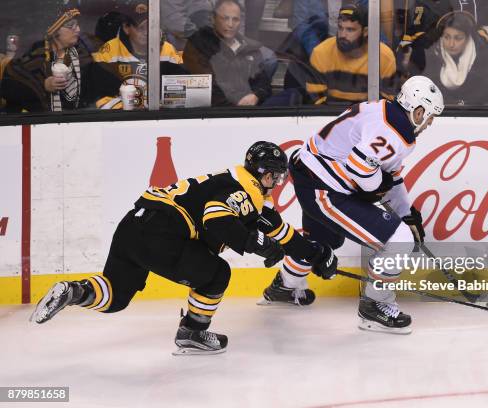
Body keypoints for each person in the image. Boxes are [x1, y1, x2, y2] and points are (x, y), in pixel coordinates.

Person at [30, 141, 338, 355]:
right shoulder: (242, 191)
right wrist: (258, 245)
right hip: (162, 231)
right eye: (278, 175)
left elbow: (283, 235)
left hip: (133, 225)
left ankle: (74, 291)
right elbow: (217, 221)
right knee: (217, 273)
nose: (279, 181)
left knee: (115, 295)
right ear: (267, 174)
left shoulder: (240, 190)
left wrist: (318, 256)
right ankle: (191, 332)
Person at [261, 76, 444, 334]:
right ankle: (375, 306)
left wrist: (407, 214)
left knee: (324, 240)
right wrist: (375, 189)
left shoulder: (386, 112)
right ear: (418, 109)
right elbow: (361, 167)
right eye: (431, 115)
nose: (431, 122)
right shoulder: (394, 131)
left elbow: (388, 176)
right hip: (323, 187)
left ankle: (285, 285)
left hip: (312, 173)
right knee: (399, 239)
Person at [92, 1, 185, 110]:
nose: (147, 32)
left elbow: (181, 90)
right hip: (121, 119)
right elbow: (98, 94)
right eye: (141, 28)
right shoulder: (110, 51)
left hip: (158, 117)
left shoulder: (167, 49)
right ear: (126, 28)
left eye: (151, 26)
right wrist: (128, 109)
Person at [1, 7, 95, 113]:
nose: (78, 29)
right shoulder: (35, 57)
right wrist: (44, 85)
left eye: (77, 25)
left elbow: (92, 93)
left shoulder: (83, 55)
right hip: (41, 124)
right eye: (71, 25)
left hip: (79, 123)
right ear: (55, 31)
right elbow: (8, 86)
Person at [182, 0, 273, 106]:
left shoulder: (249, 48)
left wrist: (256, 95)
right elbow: (205, 86)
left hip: (249, 110)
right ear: (213, 19)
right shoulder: (198, 45)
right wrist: (237, 104)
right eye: (225, 18)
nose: (230, 24)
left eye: (235, 19)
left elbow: (263, 82)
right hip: (216, 113)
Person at [306, 4, 396, 105]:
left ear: (365, 31)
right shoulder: (321, 53)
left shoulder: (384, 57)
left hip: (367, 117)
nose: (342, 35)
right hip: (329, 115)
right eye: (340, 28)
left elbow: (387, 104)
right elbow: (316, 103)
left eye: (350, 30)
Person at [422, 11, 488, 106]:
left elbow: (486, 92)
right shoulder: (430, 56)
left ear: (468, 38)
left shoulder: (482, 58)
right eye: (446, 37)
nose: (451, 44)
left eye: (458, 38)